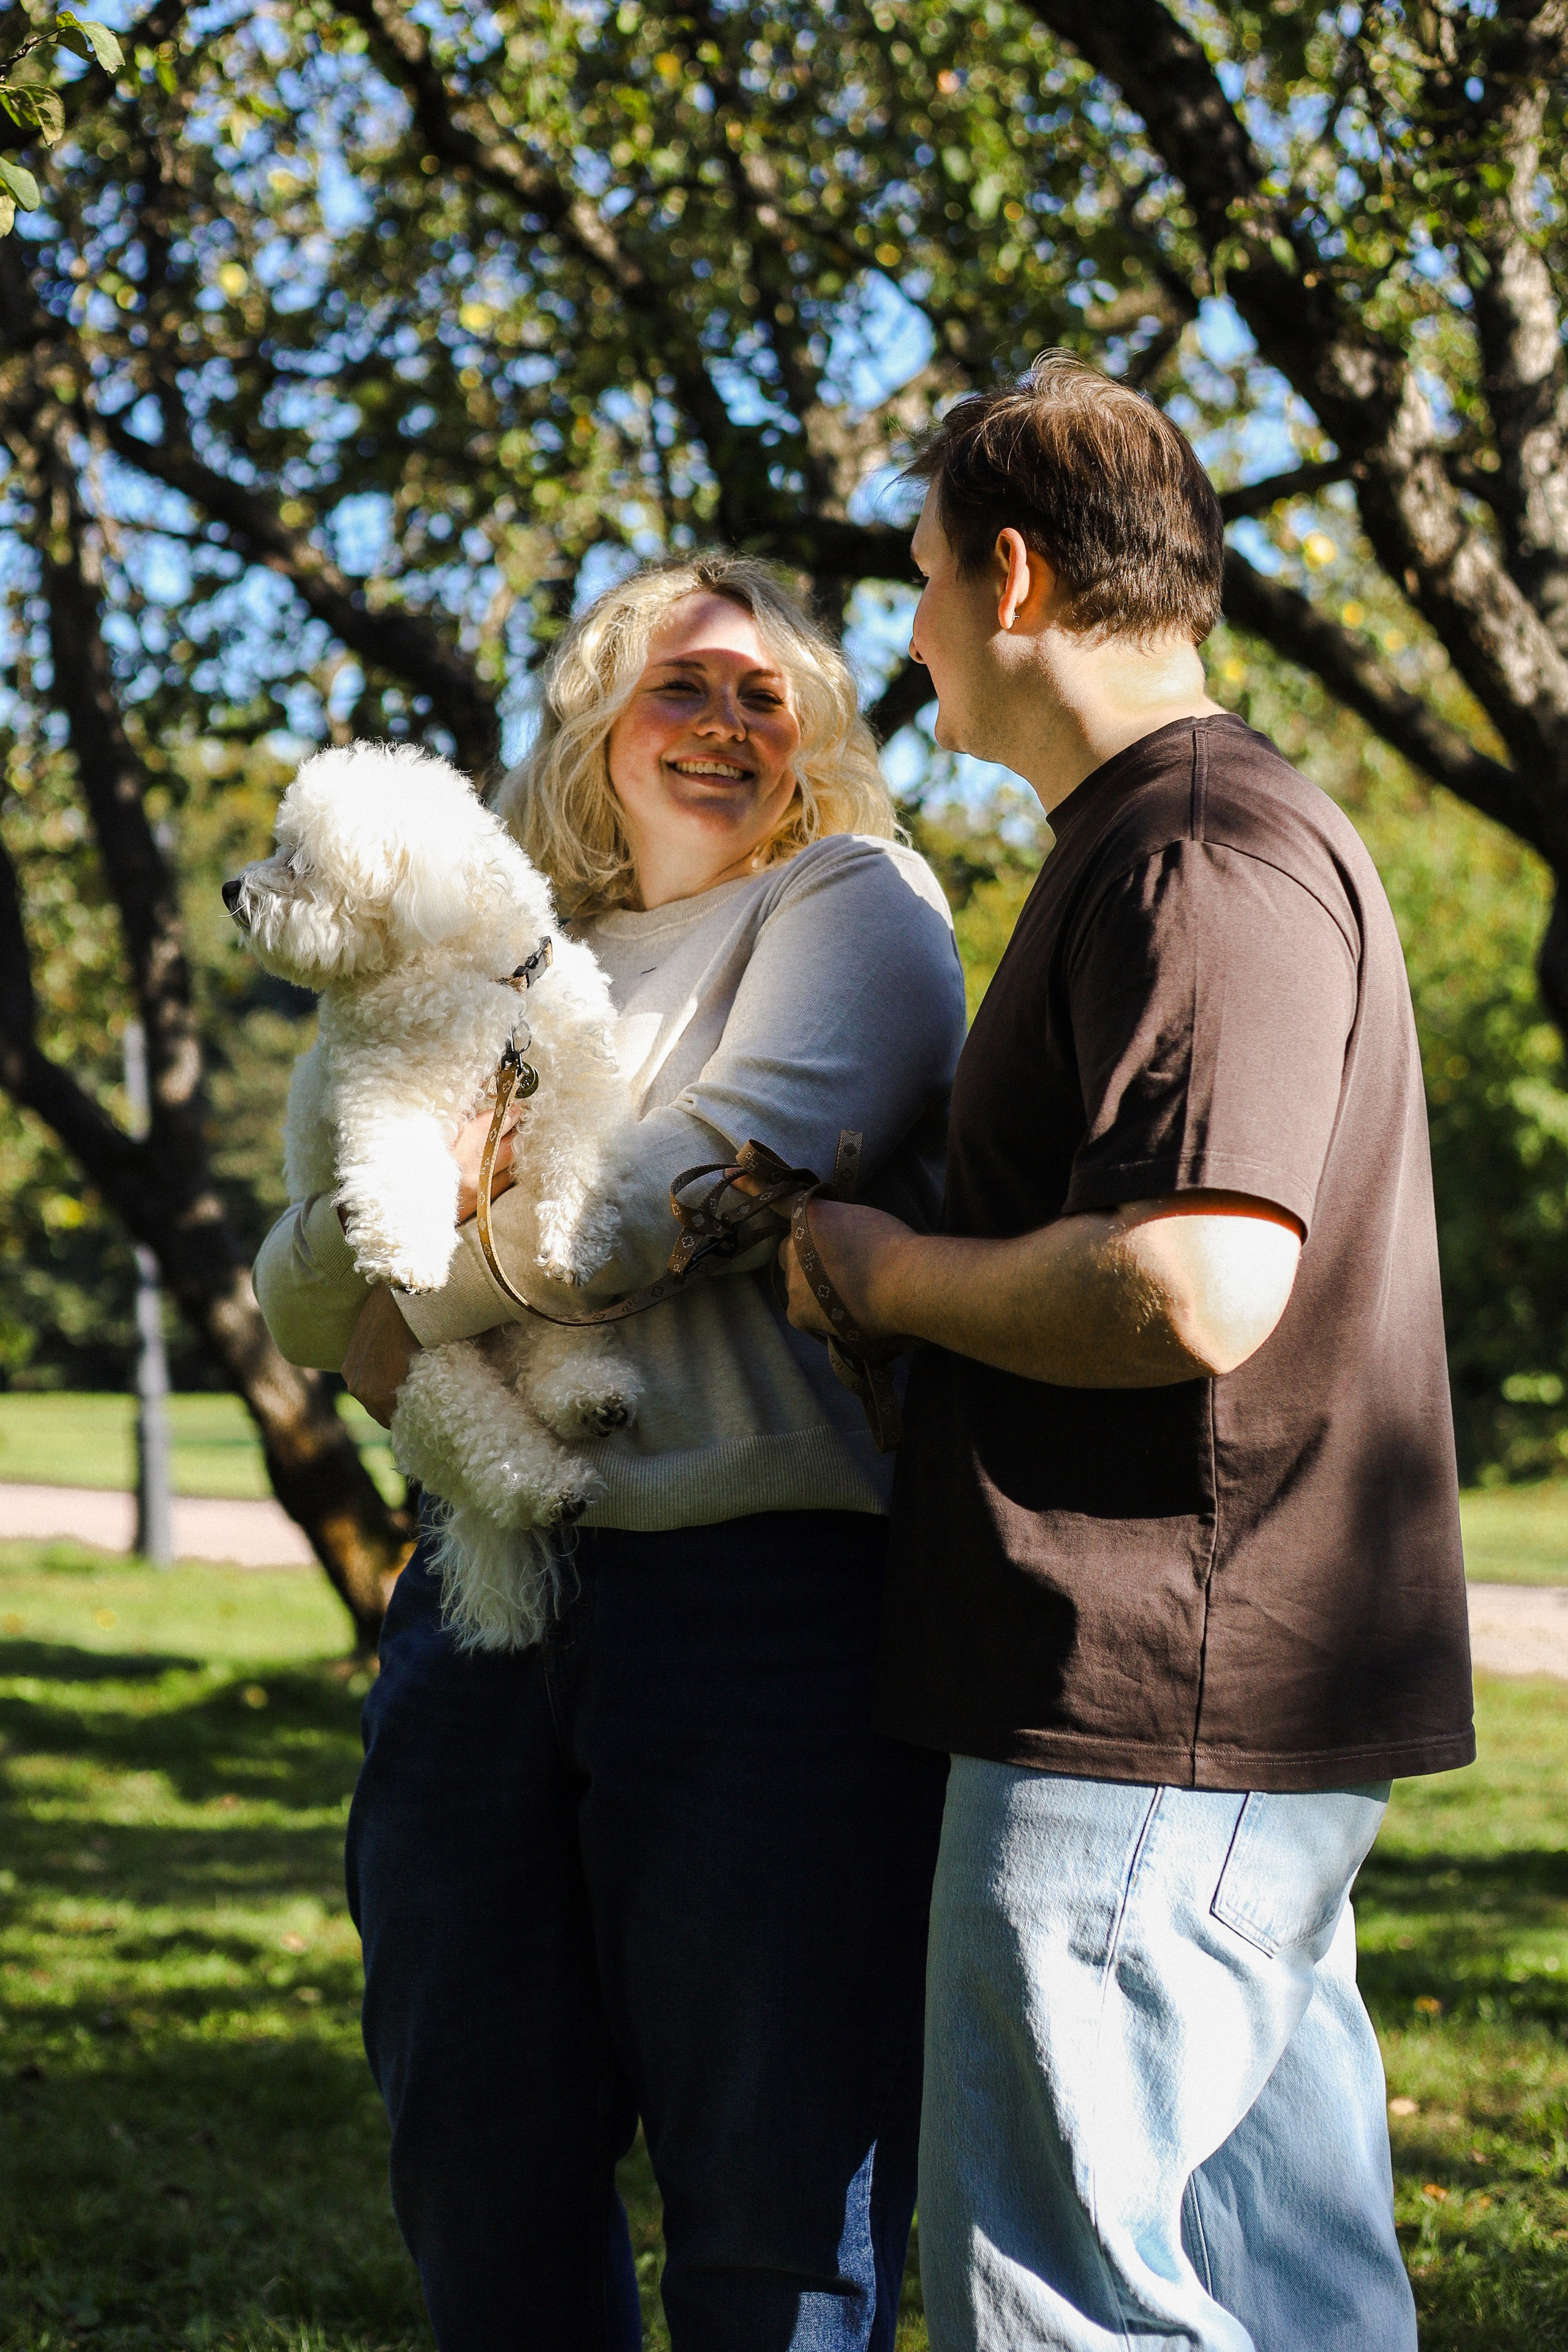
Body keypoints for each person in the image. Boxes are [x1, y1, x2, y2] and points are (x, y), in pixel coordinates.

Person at [774, 355, 1475, 2351]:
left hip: (1143, 1697)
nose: (904, 634)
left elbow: (1194, 1285)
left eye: (915, 579)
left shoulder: (1194, 850)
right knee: (1290, 2291)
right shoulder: (1165, 836)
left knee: (1067, 2301)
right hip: (1213, 1700)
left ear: (1010, 579)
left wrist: (890, 1276)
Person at [252, 555, 967, 2352]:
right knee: (477, 2160)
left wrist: (439, 1258)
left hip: (762, 1608)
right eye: (682, 687)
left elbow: (681, 1193)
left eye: (762, 694)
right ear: (594, 717)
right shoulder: (488, 955)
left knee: (776, 2197)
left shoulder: (854, 902)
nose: (727, 723)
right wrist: (401, 1253)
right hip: (480, 1611)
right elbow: (288, 1281)